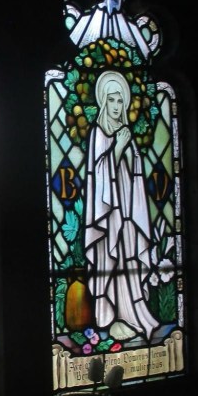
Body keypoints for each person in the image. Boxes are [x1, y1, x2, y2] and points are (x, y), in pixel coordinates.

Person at [84, 70, 158, 341]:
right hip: (108, 211)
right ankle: (113, 316)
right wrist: (117, 147)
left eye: (120, 101)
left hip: (127, 207)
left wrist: (127, 146)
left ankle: (132, 312)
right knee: (111, 255)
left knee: (128, 255)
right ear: (103, 101)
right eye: (112, 100)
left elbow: (135, 173)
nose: (116, 106)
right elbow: (99, 172)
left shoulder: (126, 131)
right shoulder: (98, 132)